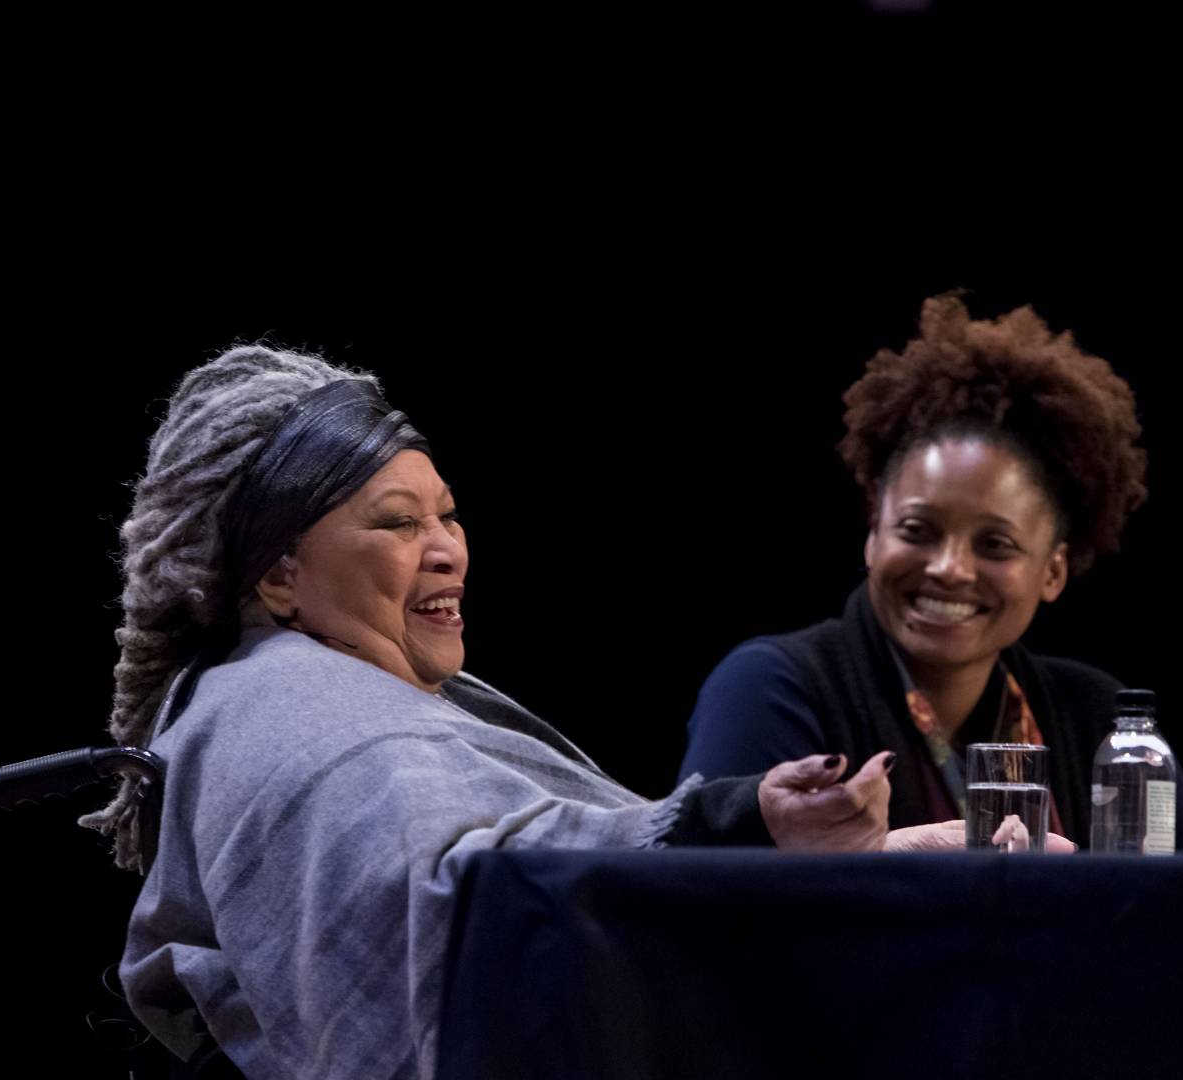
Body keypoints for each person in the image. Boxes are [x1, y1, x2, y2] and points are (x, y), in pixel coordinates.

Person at [84, 345, 934, 1079]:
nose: (449, 549)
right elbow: (474, 906)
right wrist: (741, 820)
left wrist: (877, 866)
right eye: (399, 524)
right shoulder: (302, 712)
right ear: (280, 577)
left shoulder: (302, 690)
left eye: (447, 514)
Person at [679, 294, 1183, 849]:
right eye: (918, 531)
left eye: (995, 543)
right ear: (873, 532)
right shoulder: (771, 687)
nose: (949, 568)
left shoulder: (1098, 720)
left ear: (1053, 571)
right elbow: (707, 912)